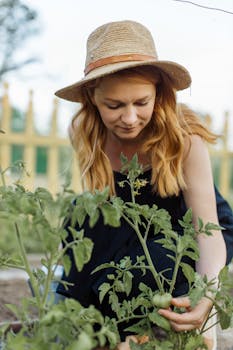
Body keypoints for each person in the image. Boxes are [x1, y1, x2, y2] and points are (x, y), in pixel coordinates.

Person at [55, 20, 231, 349]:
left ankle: (150, 332)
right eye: (114, 106)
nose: (130, 118)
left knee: (157, 265)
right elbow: (102, 212)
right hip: (124, 220)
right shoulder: (85, 132)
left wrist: (205, 299)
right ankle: (120, 334)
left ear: (158, 93)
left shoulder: (184, 138)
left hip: (183, 229)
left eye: (141, 102)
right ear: (93, 98)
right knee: (79, 268)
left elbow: (206, 229)